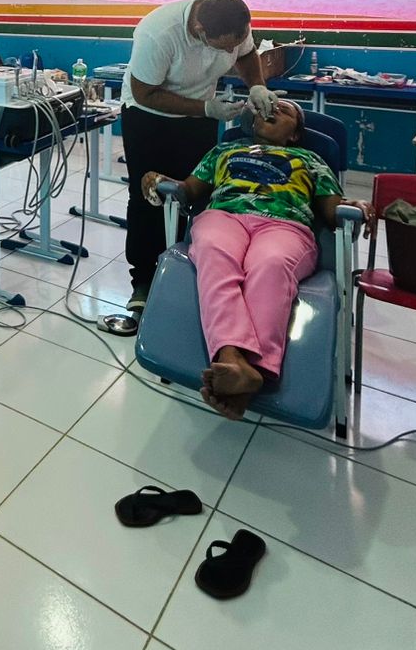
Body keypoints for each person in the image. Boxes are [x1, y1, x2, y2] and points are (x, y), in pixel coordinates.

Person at [141, 99, 374, 419]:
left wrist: (357, 206)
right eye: (269, 106)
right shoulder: (223, 151)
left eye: (285, 110)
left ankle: (243, 369)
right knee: (214, 252)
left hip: (285, 225)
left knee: (271, 264)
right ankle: (238, 366)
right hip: (224, 217)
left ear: (295, 134)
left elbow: (333, 210)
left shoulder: (310, 159)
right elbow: (188, 189)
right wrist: (157, 179)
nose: (273, 110)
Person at [114, 0, 274, 334]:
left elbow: (247, 55)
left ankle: (186, 270)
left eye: (231, 46)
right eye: (221, 47)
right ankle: (143, 281)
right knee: (149, 199)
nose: (227, 53)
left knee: (197, 195)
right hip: (149, 117)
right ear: (199, 29)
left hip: (199, 117)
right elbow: (145, 93)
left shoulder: (233, 22)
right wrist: (205, 108)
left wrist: (257, 86)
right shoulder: (159, 33)